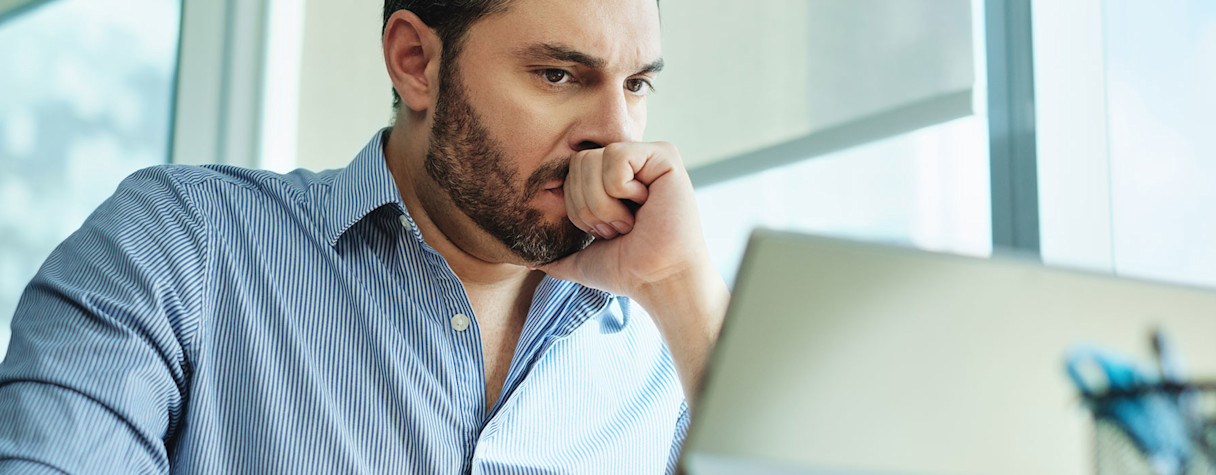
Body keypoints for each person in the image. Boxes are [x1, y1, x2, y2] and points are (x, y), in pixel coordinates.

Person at [0, 0, 730, 472]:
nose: (616, 132)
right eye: (558, 74)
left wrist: (682, 296)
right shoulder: (179, 246)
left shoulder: (660, 349)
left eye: (636, 85)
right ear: (415, 62)